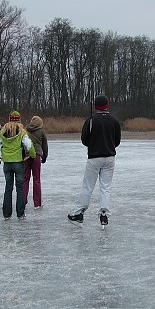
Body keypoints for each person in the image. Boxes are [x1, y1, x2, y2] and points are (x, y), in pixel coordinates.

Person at [68, 94, 121, 227]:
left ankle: (79, 213)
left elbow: (84, 140)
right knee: (105, 187)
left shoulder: (91, 120)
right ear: (107, 105)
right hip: (110, 157)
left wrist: (94, 145)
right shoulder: (114, 120)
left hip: (94, 158)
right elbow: (117, 141)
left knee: (88, 187)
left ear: (95, 106)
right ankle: (104, 214)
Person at [0, 111, 35, 220]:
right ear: (19, 119)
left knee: (8, 188)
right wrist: (33, 156)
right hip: (19, 162)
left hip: (7, 164)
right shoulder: (22, 132)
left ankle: (6, 214)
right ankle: (20, 214)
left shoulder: (3, 131)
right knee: (20, 188)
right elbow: (29, 146)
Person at [24, 115, 49, 210]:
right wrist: (45, 156)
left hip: (26, 156)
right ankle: (37, 203)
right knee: (36, 179)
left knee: (25, 179)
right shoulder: (41, 131)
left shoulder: (25, 131)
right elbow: (45, 145)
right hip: (37, 156)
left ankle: (23, 200)